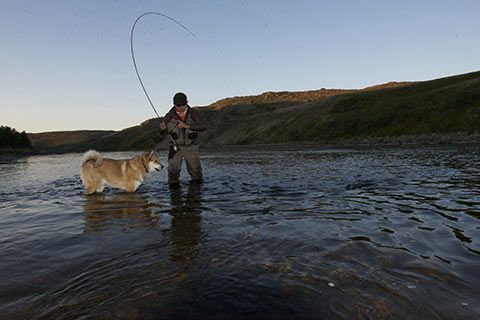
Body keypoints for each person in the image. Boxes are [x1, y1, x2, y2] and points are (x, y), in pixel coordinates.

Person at [159, 92, 206, 184]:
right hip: (175, 147)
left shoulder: (193, 113)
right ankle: (175, 196)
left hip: (191, 147)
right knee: (173, 173)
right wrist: (161, 129)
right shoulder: (169, 116)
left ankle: (196, 197)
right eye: (178, 105)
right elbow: (161, 134)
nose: (180, 108)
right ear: (174, 104)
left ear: (187, 102)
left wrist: (187, 126)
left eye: (183, 105)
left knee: (196, 173)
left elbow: (204, 126)